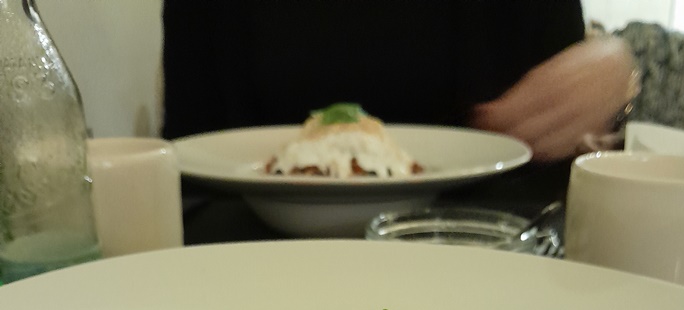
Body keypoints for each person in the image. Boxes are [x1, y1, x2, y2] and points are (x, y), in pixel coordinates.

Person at [161, 0, 637, 163]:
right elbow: (187, 165)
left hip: (487, 251)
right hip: (250, 269)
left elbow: (573, 154)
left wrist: (616, 72)